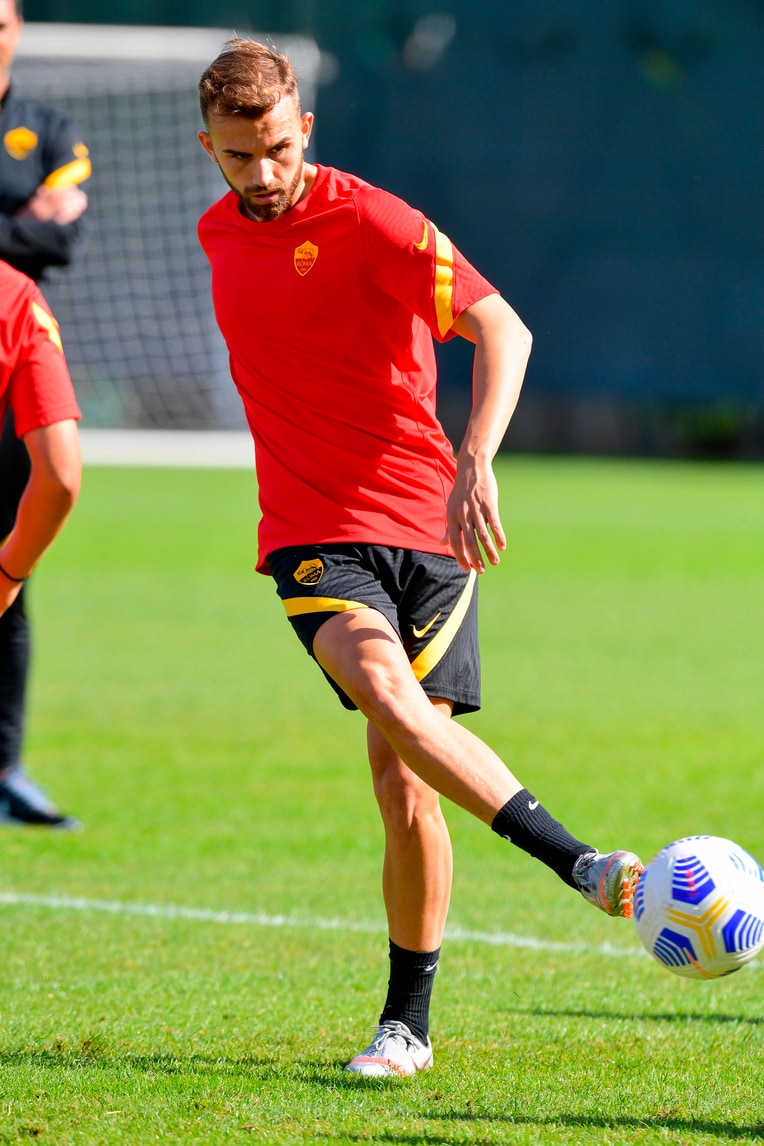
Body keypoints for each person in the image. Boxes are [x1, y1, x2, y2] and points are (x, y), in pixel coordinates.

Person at [196, 38, 644, 1078]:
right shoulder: (217, 236)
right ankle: (579, 863)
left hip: (426, 527)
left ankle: (408, 1026)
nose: (260, 172)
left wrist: (476, 457)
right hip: (311, 534)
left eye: (275, 148)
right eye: (237, 155)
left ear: (305, 128)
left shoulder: (373, 220)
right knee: (389, 701)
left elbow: (503, 330)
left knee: (404, 787)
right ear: (208, 147)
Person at [0, 0, 90, 828]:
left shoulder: (47, 128)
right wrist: (19, 222)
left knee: (10, 570)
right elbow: (38, 232)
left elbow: (62, 239)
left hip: (14, 369)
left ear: (18, 27)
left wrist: (30, 234)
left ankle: (6, 766)